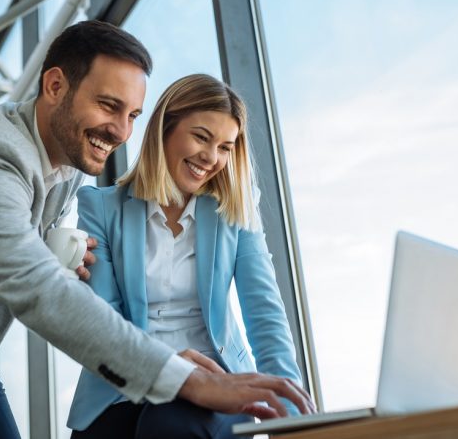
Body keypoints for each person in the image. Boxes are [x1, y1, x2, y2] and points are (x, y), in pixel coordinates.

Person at [0, 21, 312, 439]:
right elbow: (34, 287)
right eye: (108, 106)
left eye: (132, 114)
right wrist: (184, 378)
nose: (120, 131)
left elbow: (23, 252)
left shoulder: (73, 161)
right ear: (55, 86)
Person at [67, 74, 306, 439]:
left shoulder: (235, 210)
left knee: (170, 428)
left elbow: (265, 314)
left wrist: (291, 418)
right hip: (122, 382)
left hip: (214, 380)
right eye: (201, 137)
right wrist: (163, 368)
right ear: (165, 128)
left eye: (225, 147)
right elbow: (106, 317)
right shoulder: (100, 207)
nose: (211, 158)